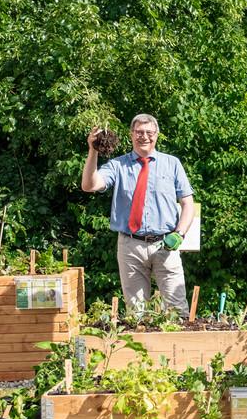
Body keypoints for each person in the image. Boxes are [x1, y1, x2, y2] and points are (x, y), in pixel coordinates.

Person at [81, 114, 194, 314]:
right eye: (139, 132)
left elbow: (187, 203)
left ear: (156, 135)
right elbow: (89, 185)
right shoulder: (118, 166)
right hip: (130, 246)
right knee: (137, 312)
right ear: (131, 135)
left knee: (177, 309)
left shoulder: (172, 164)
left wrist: (180, 233)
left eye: (149, 132)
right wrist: (93, 151)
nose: (144, 137)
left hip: (166, 244)